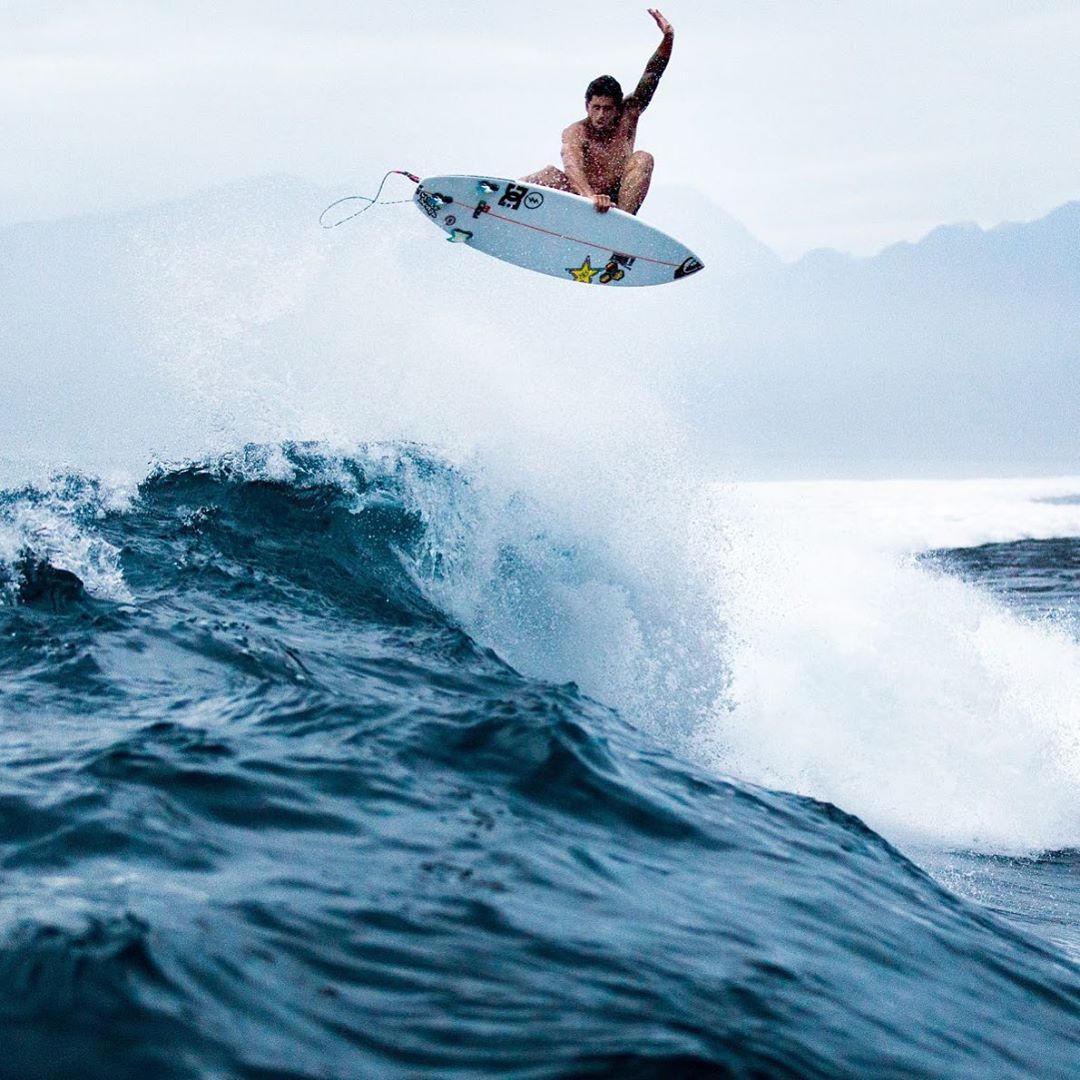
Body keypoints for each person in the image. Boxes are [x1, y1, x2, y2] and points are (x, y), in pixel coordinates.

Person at [521, 9, 674, 215]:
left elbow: (653, 73)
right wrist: (589, 196)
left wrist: (668, 38)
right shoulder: (577, 131)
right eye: (596, 108)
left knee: (643, 158)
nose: (601, 115)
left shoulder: (628, 116)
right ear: (587, 106)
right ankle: (495, 206)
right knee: (546, 175)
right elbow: (571, 164)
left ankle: (621, 224)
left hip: (616, 202)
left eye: (608, 109)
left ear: (618, 108)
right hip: (581, 197)